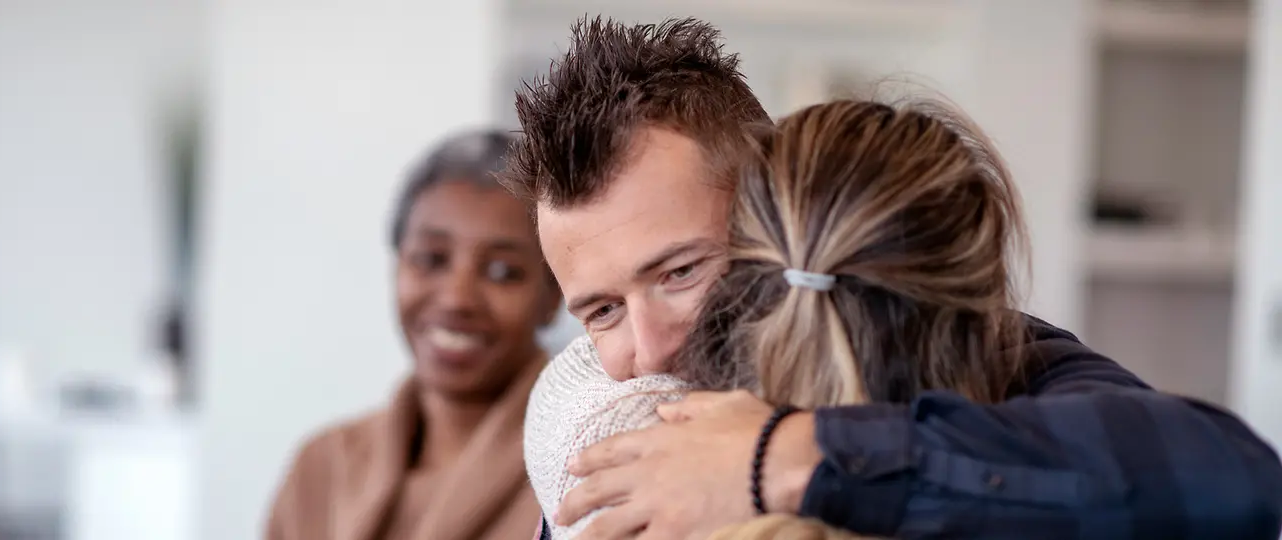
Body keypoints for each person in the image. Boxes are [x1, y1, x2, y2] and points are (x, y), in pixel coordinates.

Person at [500, 16, 1282, 540]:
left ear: (775, 205)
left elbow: (1229, 478)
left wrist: (786, 457)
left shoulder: (970, 352)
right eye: (601, 311)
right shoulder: (593, 417)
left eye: (680, 271)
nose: (652, 348)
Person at [266, 129, 562, 540]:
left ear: (554, 296)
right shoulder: (321, 469)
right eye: (432, 259)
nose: (457, 299)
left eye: (502, 271)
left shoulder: (584, 467)